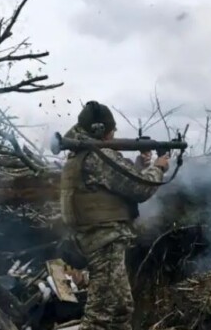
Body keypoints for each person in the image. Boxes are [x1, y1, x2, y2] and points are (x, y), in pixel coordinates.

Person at [59, 101, 170, 330]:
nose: (114, 134)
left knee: (120, 309)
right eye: (112, 129)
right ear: (100, 129)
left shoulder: (80, 154)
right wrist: (158, 167)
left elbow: (115, 185)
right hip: (104, 241)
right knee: (99, 317)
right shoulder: (99, 155)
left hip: (96, 239)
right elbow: (140, 188)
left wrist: (139, 165)